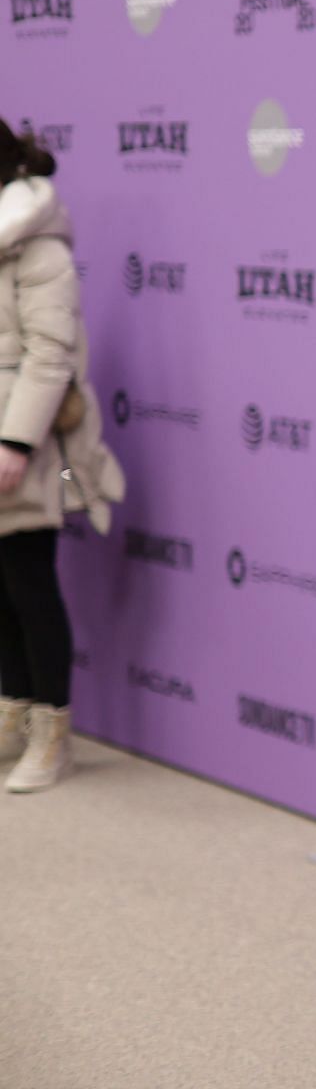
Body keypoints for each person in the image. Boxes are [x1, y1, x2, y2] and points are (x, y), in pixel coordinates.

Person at [0, 119, 121, 793]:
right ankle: (11, 713)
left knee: (29, 584)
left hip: (31, 441)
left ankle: (54, 734)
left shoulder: (37, 248)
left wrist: (14, 443)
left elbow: (52, 356)